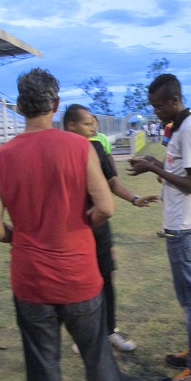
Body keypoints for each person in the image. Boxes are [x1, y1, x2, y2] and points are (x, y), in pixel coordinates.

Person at [0, 68, 122, 381]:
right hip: (79, 275)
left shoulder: (1, 158)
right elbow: (106, 207)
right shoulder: (79, 147)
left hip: (31, 279)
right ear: (56, 105)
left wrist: (20, 236)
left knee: (43, 369)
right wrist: (86, 221)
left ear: (19, 107)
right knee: (99, 364)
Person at [128, 74, 191, 381]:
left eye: (159, 106)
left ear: (174, 101)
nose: (155, 112)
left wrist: (152, 167)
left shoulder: (189, 130)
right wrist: (156, 164)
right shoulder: (178, 127)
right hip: (178, 224)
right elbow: (178, 173)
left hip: (184, 227)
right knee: (189, 299)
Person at [64, 103, 159, 353]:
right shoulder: (59, 151)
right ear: (70, 126)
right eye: (87, 123)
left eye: (94, 121)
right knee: (78, 284)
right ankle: (83, 335)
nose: (94, 126)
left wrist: (135, 199)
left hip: (99, 225)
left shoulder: (96, 145)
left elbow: (112, 182)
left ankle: (110, 331)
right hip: (72, 230)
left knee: (106, 277)